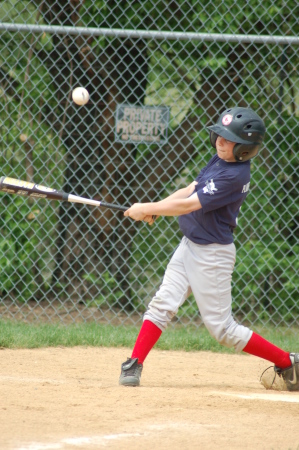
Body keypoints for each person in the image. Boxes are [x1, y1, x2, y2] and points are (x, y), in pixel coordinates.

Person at [119, 106, 299, 391]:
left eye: (229, 140)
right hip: (189, 245)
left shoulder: (235, 175)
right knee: (163, 303)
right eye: (220, 136)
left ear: (246, 149)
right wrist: (154, 208)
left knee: (223, 330)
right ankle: (134, 362)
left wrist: (148, 208)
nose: (220, 142)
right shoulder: (219, 160)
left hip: (211, 255)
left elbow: (191, 204)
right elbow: (189, 190)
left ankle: (287, 362)